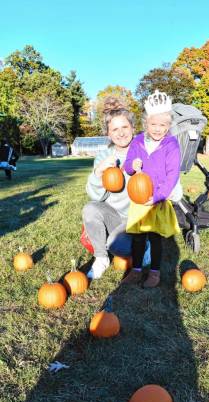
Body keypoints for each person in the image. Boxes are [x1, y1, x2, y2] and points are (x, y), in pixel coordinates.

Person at [82, 97, 150, 279]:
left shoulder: (145, 152)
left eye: (124, 127)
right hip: (115, 217)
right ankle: (101, 258)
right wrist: (98, 172)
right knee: (90, 209)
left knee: (117, 245)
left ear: (133, 128)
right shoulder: (103, 157)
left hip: (138, 218)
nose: (120, 133)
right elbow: (95, 197)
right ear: (108, 133)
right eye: (115, 129)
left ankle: (144, 242)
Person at [122, 89, 182, 288]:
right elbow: (127, 164)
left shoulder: (171, 144)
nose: (157, 129)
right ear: (146, 122)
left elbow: (173, 174)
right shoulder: (138, 141)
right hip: (139, 200)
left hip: (157, 199)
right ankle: (137, 270)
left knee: (156, 238)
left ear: (169, 125)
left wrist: (158, 195)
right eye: (153, 124)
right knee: (138, 238)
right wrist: (133, 166)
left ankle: (154, 272)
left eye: (163, 125)